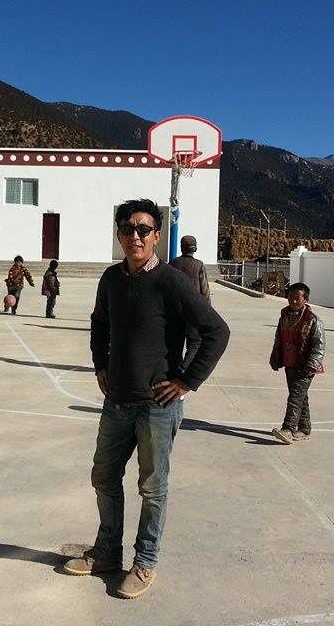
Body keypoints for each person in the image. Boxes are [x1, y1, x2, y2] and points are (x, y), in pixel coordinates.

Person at [63, 199, 230, 599]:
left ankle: (145, 561)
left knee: (152, 488)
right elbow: (99, 322)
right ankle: (106, 553)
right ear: (119, 234)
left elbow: (216, 331)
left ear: (156, 235)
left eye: (143, 229)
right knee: (104, 476)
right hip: (116, 400)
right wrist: (99, 364)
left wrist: (187, 381)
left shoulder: (171, 281)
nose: (134, 236)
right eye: (127, 228)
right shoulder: (111, 278)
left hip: (157, 406)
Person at [269, 282, 326, 445]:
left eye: (297, 298)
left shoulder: (313, 320)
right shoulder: (285, 316)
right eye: (290, 297)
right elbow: (278, 338)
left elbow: (319, 345)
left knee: (294, 397)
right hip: (289, 362)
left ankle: (288, 428)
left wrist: (312, 364)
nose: (293, 301)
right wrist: (275, 357)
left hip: (305, 366)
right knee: (300, 397)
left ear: (305, 299)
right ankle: (304, 428)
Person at [169, 234, 211, 369]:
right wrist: (206, 311)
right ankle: (184, 368)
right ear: (195, 248)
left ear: (181, 248)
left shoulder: (173, 264)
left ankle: (175, 368)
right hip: (194, 310)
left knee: (175, 342)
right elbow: (205, 290)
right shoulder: (199, 265)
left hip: (175, 310)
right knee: (194, 343)